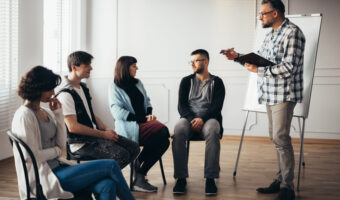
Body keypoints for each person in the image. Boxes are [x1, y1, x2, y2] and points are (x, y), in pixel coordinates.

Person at [11, 66, 135, 200]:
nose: (53, 93)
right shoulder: (24, 115)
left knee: (108, 184)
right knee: (111, 165)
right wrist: (56, 151)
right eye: (49, 89)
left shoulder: (45, 111)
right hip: (45, 178)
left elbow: (61, 143)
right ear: (38, 88)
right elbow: (31, 156)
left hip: (58, 168)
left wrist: (58, 114)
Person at [222, 0, 305, 199]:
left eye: (263, 14)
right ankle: (280, 180)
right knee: (276, 138)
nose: (260, 17)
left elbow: (288, 68)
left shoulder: (292, 33)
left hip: (284, 94)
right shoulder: (271, 34)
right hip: (269, 93)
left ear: (275, 13)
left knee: (281, 139)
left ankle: (287, 188)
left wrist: (259, 70)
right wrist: (238, 57)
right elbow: (261, 60)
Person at [56, 51, 139, 169]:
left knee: (134, 147)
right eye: (87, 65)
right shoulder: (65, 94)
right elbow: (73, 127)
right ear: (74, 67)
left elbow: (90, 114)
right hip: (81, 144)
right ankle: (98, 181)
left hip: (94, 137)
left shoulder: (83, 87)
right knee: (122, 155)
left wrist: (106, 129)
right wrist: (103, 134)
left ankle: (116, 178)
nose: (91, 68)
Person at [108, 56, 170, 193]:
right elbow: (117, 112)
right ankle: (138, 170)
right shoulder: (114, 86)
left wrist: (149, 114)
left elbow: (147, 101)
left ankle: (139, 169)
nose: (137, 68)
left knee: (165, 141)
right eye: (134, 66)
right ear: (125, 68)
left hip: (143, 124)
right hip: (129, 126)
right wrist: (142, 118)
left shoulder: (138, 83)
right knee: (163, 131)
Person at [172, 49, 226, 196]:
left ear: (206, 61)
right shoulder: (186, 81)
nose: (193, 64)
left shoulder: (217, 82)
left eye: (196, 60)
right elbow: (181, 106)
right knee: (178, 131)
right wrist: (192, 119)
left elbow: (217, 107)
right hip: (188, 119)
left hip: (209, 119)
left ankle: (210, 178)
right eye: (191, 61)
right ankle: (181, 178)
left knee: (213, 130)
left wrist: (202, 119)